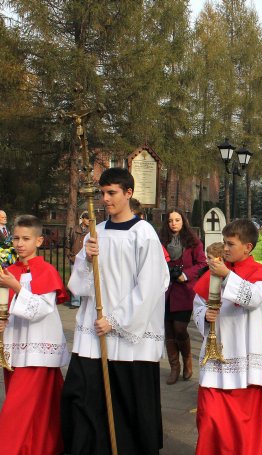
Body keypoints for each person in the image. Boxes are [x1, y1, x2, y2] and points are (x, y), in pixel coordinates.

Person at [61, 168, 170, 455]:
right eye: (103, 193)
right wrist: (86, 258)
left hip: (126, 338)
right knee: (82, 398)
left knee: (126, 407)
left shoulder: (143, 233)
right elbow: (81, 287)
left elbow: (151, 286)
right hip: (93, 335)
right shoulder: (95, 235)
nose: (105, 199)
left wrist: (115, 320)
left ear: (128, 193)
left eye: (112, 193)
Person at [0, 214, 70, 454]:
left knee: (19, 407)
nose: (20, 243)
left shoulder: (47, 271)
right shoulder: (7, 271)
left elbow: (42, 309)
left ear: (39, 241)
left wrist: (17, 287)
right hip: (13, 349)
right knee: (29, 406)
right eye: (17, 238)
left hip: (38, 351)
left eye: (26, 238)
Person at [192, 219, 262, 455]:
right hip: (216, 357)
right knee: (210, 419)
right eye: (224, 243)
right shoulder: (215, 270)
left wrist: (227, 276)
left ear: (248, 247)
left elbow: (252, 298)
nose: (225, 248)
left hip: (246, 361)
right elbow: (198, 303)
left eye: (230, 244)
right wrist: (205, 315)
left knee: (244, 427)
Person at [160, 208, 207, 385]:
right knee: (169, 331)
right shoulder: (161, 240)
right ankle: (174, 368)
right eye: (171, 220)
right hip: (166, 291)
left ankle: (187, 360)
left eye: (177, 220)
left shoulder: (193, 241)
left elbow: (202, 263)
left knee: (180, 328)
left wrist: (185, 274)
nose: (174, 223)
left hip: (184, 291)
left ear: (183, 221)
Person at [67, 211, 90, 309]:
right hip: (75, 257)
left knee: (86, 280)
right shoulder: (75, 229)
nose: (89, 221)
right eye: (87, 219)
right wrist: (69, 254)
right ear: (83, 219)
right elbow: (69, 242)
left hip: (86, 257)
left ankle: (85, 302)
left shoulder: (91, 230)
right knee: (75, 279)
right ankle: (75, 301)